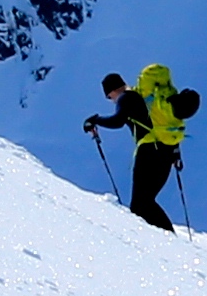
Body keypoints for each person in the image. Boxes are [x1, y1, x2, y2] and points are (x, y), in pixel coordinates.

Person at [82, 60, 196, 231]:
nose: (111, 100)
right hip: (165, 151)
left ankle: (169, 242)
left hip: (149, 152)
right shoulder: (143, 98)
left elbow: (117, 121)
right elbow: (161, 126)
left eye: (109, 96)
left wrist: (95, 120)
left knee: (140, 205)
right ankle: (169, 238)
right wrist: (175, 153)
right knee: (146, 202)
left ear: (113, 90)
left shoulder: (126, 98)